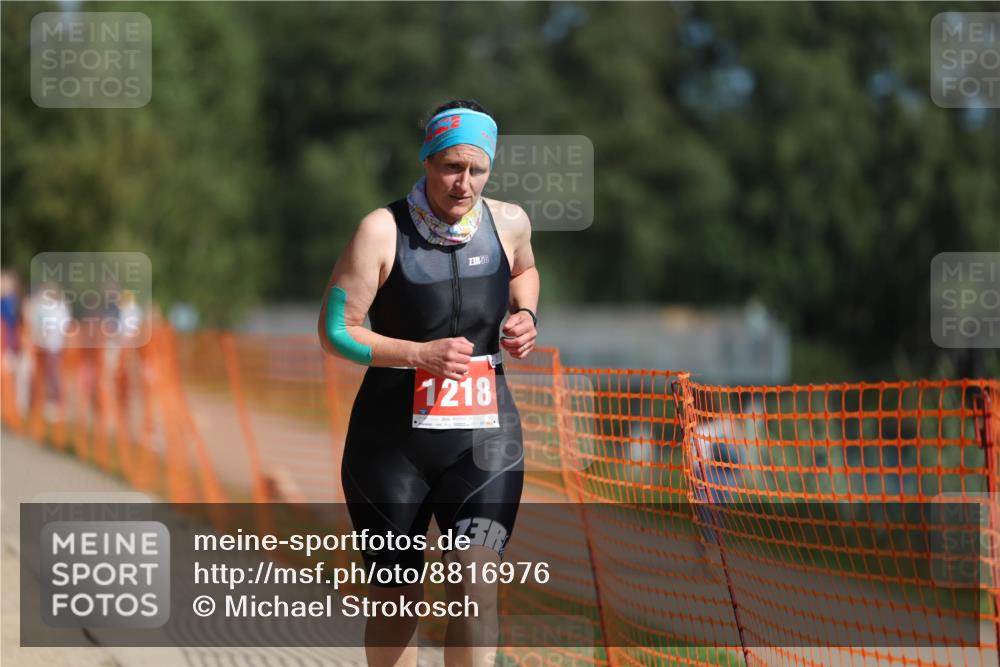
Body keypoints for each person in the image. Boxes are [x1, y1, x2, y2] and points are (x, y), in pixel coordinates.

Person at [318, 99, 539, 667]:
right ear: (426, 160)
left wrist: (526, 316)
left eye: (477, 169)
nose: (463, 183)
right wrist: (417, 354)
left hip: (486, 439)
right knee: (396, 599)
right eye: (449, 167)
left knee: (475, 590)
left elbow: (524, 270)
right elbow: (334, 331)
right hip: (391, 448)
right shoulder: (381, 231)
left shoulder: (509, 222)